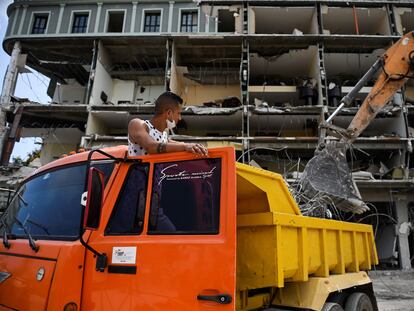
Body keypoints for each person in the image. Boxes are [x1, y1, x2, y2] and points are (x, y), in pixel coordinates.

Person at [128, 91, 208, 156]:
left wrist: (192, 146)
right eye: (178, 113)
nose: (180, 118)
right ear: (169, 113)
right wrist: (185, 146)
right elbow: (151, 146)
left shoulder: (164, 136)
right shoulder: (137, 124)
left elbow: (170, 143)